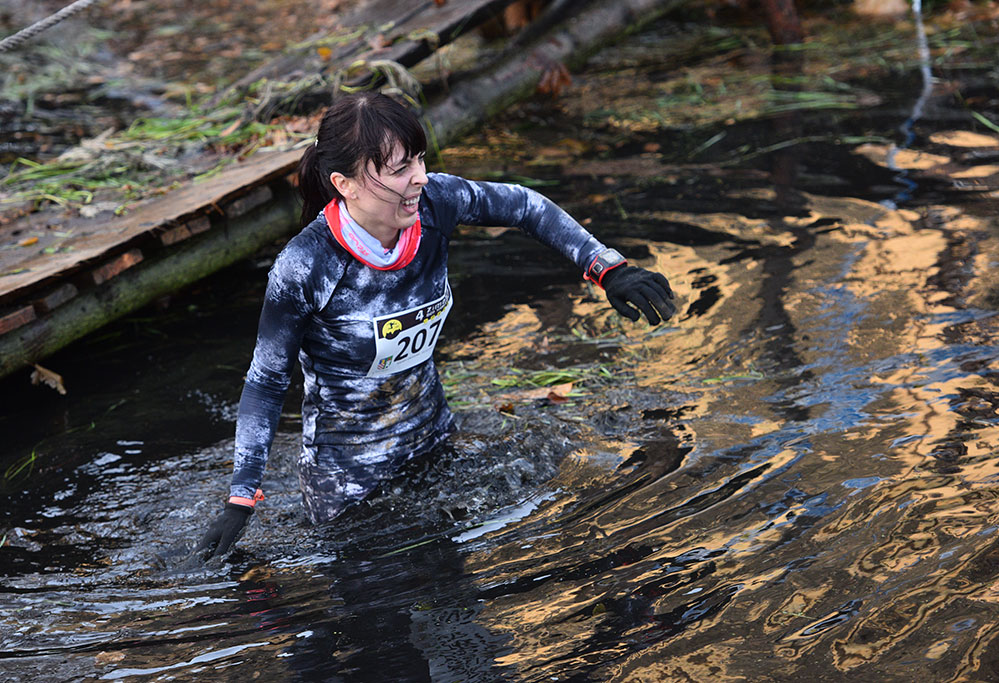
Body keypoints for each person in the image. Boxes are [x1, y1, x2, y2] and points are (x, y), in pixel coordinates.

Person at [198, 91, 675, 557]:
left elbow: (526, 207)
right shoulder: (306, 265)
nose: (421, 178)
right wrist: (242, 495)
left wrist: (606, 267)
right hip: (351, 486)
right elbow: (266, 380)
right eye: (400, 169)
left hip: (435, 447)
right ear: (345, 184)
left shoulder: (435, 205)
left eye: (420, 160)